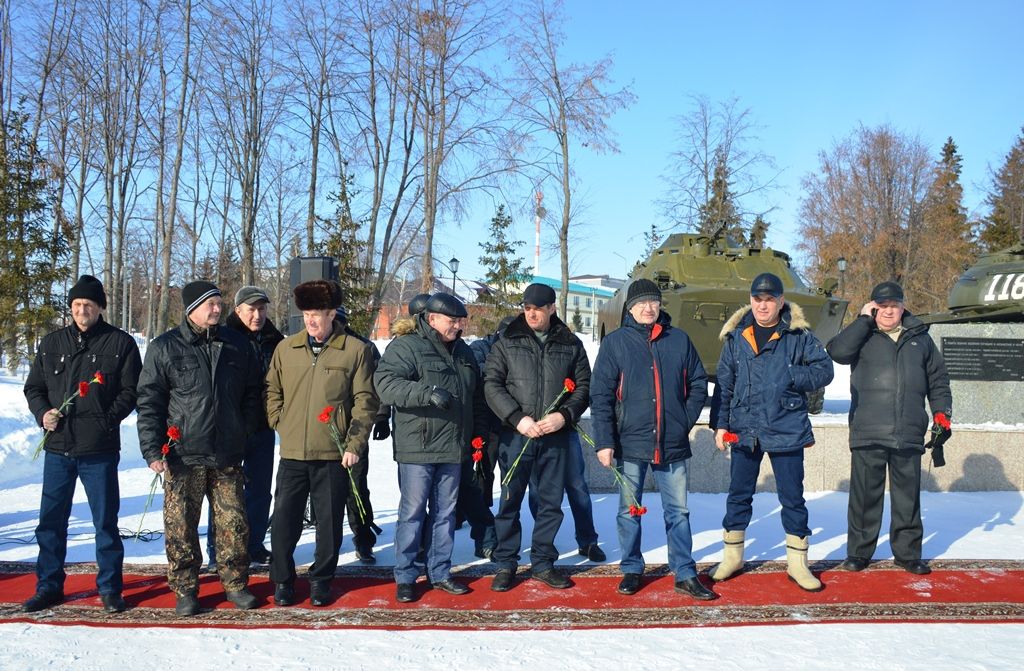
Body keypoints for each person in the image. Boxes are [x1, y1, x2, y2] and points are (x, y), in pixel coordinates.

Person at [136, 280, 264, 616]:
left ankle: (236, 583)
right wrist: (153, 450)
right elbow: (149, 401)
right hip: (183, 455)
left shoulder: (237, 344)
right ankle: (186, 589)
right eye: (211, 303)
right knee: (180, 527)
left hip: (226, 454)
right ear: (192, 308)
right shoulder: (165, 347)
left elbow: (253, 392)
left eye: (220, 303)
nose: (218, 309)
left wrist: (244, 427)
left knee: (234, 524)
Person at [22, 275, 142, 614]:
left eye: (88, 305)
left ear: (100, 307)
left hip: (99, 450)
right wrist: (42, 412)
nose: (81, 310)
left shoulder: (120, 344)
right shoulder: (51, 343)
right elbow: (34, 387)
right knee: (50, 521)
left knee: (105, 522)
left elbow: (131, 391)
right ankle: (48, 585)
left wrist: (108, 418)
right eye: (76, 305)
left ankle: (109, 588)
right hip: (58, 448)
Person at [590, 279, 715, 600]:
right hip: (630, 442)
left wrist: (683, 420)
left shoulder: (679, 340)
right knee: (630, 511)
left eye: (653, 302)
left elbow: (699, 383)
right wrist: (604, 441)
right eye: (641, 303)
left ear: (660, 305)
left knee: (679, 512)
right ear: (630, 308)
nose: (648, 308)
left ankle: (685, 572)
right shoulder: (616, 343)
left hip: (671, 444)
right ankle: (632, 568)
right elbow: (601, 394)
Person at [710, 272, 834, 592]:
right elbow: (724, 383)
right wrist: (720, 425)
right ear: (750, 301)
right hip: (744, 428)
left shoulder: (799, 335)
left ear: (780, 302)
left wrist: (792, 374)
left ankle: (797, 563)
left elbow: (824, 370)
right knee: (739, 495)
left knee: (792, 497)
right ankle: (732, 556)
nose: (762, 305)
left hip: (786, 427)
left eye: (769, 299)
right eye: (757, 299)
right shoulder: (737, 336)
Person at [265, 280, 379, 607]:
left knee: (329, 525)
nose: (311, 321)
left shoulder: (355, 351)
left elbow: (365, 401)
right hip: (293, 453)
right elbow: (272, 390)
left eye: (317, 314)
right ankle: (283, 580)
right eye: (306, 315)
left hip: (333, 454)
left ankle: (321, 579)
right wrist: (281, 421)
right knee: (285, 521)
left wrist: (354, 443)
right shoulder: (287, 349)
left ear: (332, 314)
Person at [826, 281, 952, 575]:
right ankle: (859, 553)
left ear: (902, 307)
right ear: (874, 307)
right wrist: (862, 320)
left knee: (907, 498)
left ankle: (908, 554)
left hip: (908, 430)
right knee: (864, 498)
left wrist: (941, 414)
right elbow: (837, 352)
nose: (888, 312)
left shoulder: (920, 338)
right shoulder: (863, 335)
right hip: (868, 430)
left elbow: (938, 380)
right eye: (882, 307)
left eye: (893, 306)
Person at [374, 292, 487, 603]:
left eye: (461, 321)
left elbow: (474, 396)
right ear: (432, 318)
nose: (458, 326)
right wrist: (426, 392)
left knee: (445, 514)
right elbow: (385, 383)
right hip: (418, 447)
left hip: (453, 446)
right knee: (412, 513)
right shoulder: (407, 346)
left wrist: (477, 433)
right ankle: (406, 574)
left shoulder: (463, 351)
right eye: (453, 321)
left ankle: (439, 571)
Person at [484, 283, 591, 592]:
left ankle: (543, 563)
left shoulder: (570, 344)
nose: (531, 313)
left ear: (552, 309)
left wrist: (564, 415)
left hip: (554, 437)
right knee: (510, 501)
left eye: (538, 309)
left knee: (550, 504)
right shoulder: (507, 341)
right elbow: (492, 384)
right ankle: (506, 562)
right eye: (527, 308)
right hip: (517, 436)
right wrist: (517, 418)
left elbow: (583, 386)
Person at [206, 286, 283, 568]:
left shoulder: (276, 340)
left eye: (262, 309)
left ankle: (254, 543)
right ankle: (218, 548)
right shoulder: (223, 338)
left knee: (260, 489)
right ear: (238, 311)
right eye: (251, 309)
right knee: (224, 491)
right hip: (228, 427)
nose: (257, 315)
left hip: (262, 426)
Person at [334, 305, 390, 564]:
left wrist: (381, 416)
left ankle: (364, 539)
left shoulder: (364, 348)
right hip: (324, 430)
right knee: (327, 493)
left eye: (339, 320)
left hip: (356, 429)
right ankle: (328, 547)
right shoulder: (315, 348)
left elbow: (380, 384)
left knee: (356, 489)